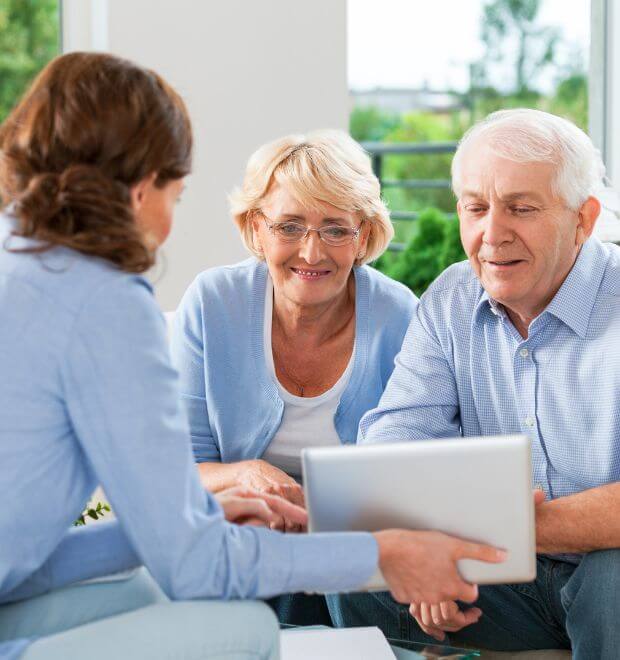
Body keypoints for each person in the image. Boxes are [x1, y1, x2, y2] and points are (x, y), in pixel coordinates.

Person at [0, 52, 504, 660]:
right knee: (248, 630)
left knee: (140, 592)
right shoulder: (108, 301)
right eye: (175, 193)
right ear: (139, 190)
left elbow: (27, 558)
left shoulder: (22, 259)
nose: (167, 222)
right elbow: (195, 568)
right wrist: (387, 554)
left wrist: (190, 520)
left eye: (335, 228)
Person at [331, 109, 620, 660]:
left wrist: (504, 525)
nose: (492, 234)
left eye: (521, 208)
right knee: (352, 567)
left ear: (583, 219)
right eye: (476, 207)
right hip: (498, 579)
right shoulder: (452, 297)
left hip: (604, 568)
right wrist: (424, 550)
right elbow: (391, 451)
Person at [170, 130, 417, 624]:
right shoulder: (212, 302)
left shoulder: (400, 315)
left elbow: (412, 475)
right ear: (256, 229)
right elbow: (180, 469)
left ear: (363, 235)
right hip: (242, 539)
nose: (311, 252)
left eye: (334, 229)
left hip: (352, 551)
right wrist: (244, 472)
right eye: (289, 227)